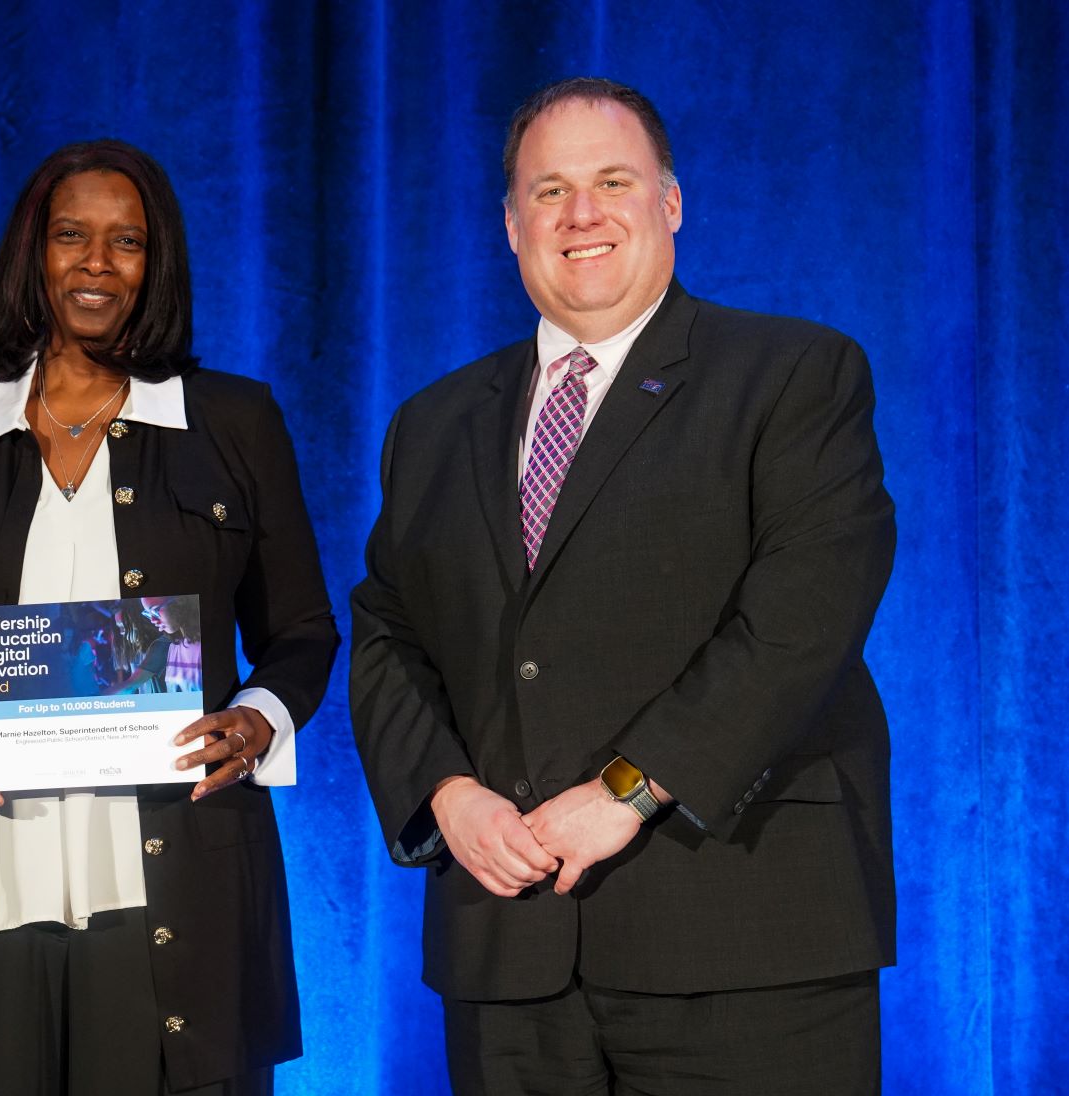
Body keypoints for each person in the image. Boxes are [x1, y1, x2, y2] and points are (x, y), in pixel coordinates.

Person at [350, 78, 896, 1094]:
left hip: (739, 935)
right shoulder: (431, 423)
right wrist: (444, 793)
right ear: (511, 225)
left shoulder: (792, 374)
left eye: (612, 182)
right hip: (508, 952)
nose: (580, 214)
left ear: (669, 202)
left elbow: (803, 616)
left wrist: (628, 789)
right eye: (548, 191)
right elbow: (387, 631)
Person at [0, 139, 337, 1095]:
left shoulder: (232, 422)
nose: (96, 263)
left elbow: (301, 630)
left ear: (155, 262)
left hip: (176, 881)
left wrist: (257, 719)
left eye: (126, 241)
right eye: (71, 236)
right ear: (32, 252)